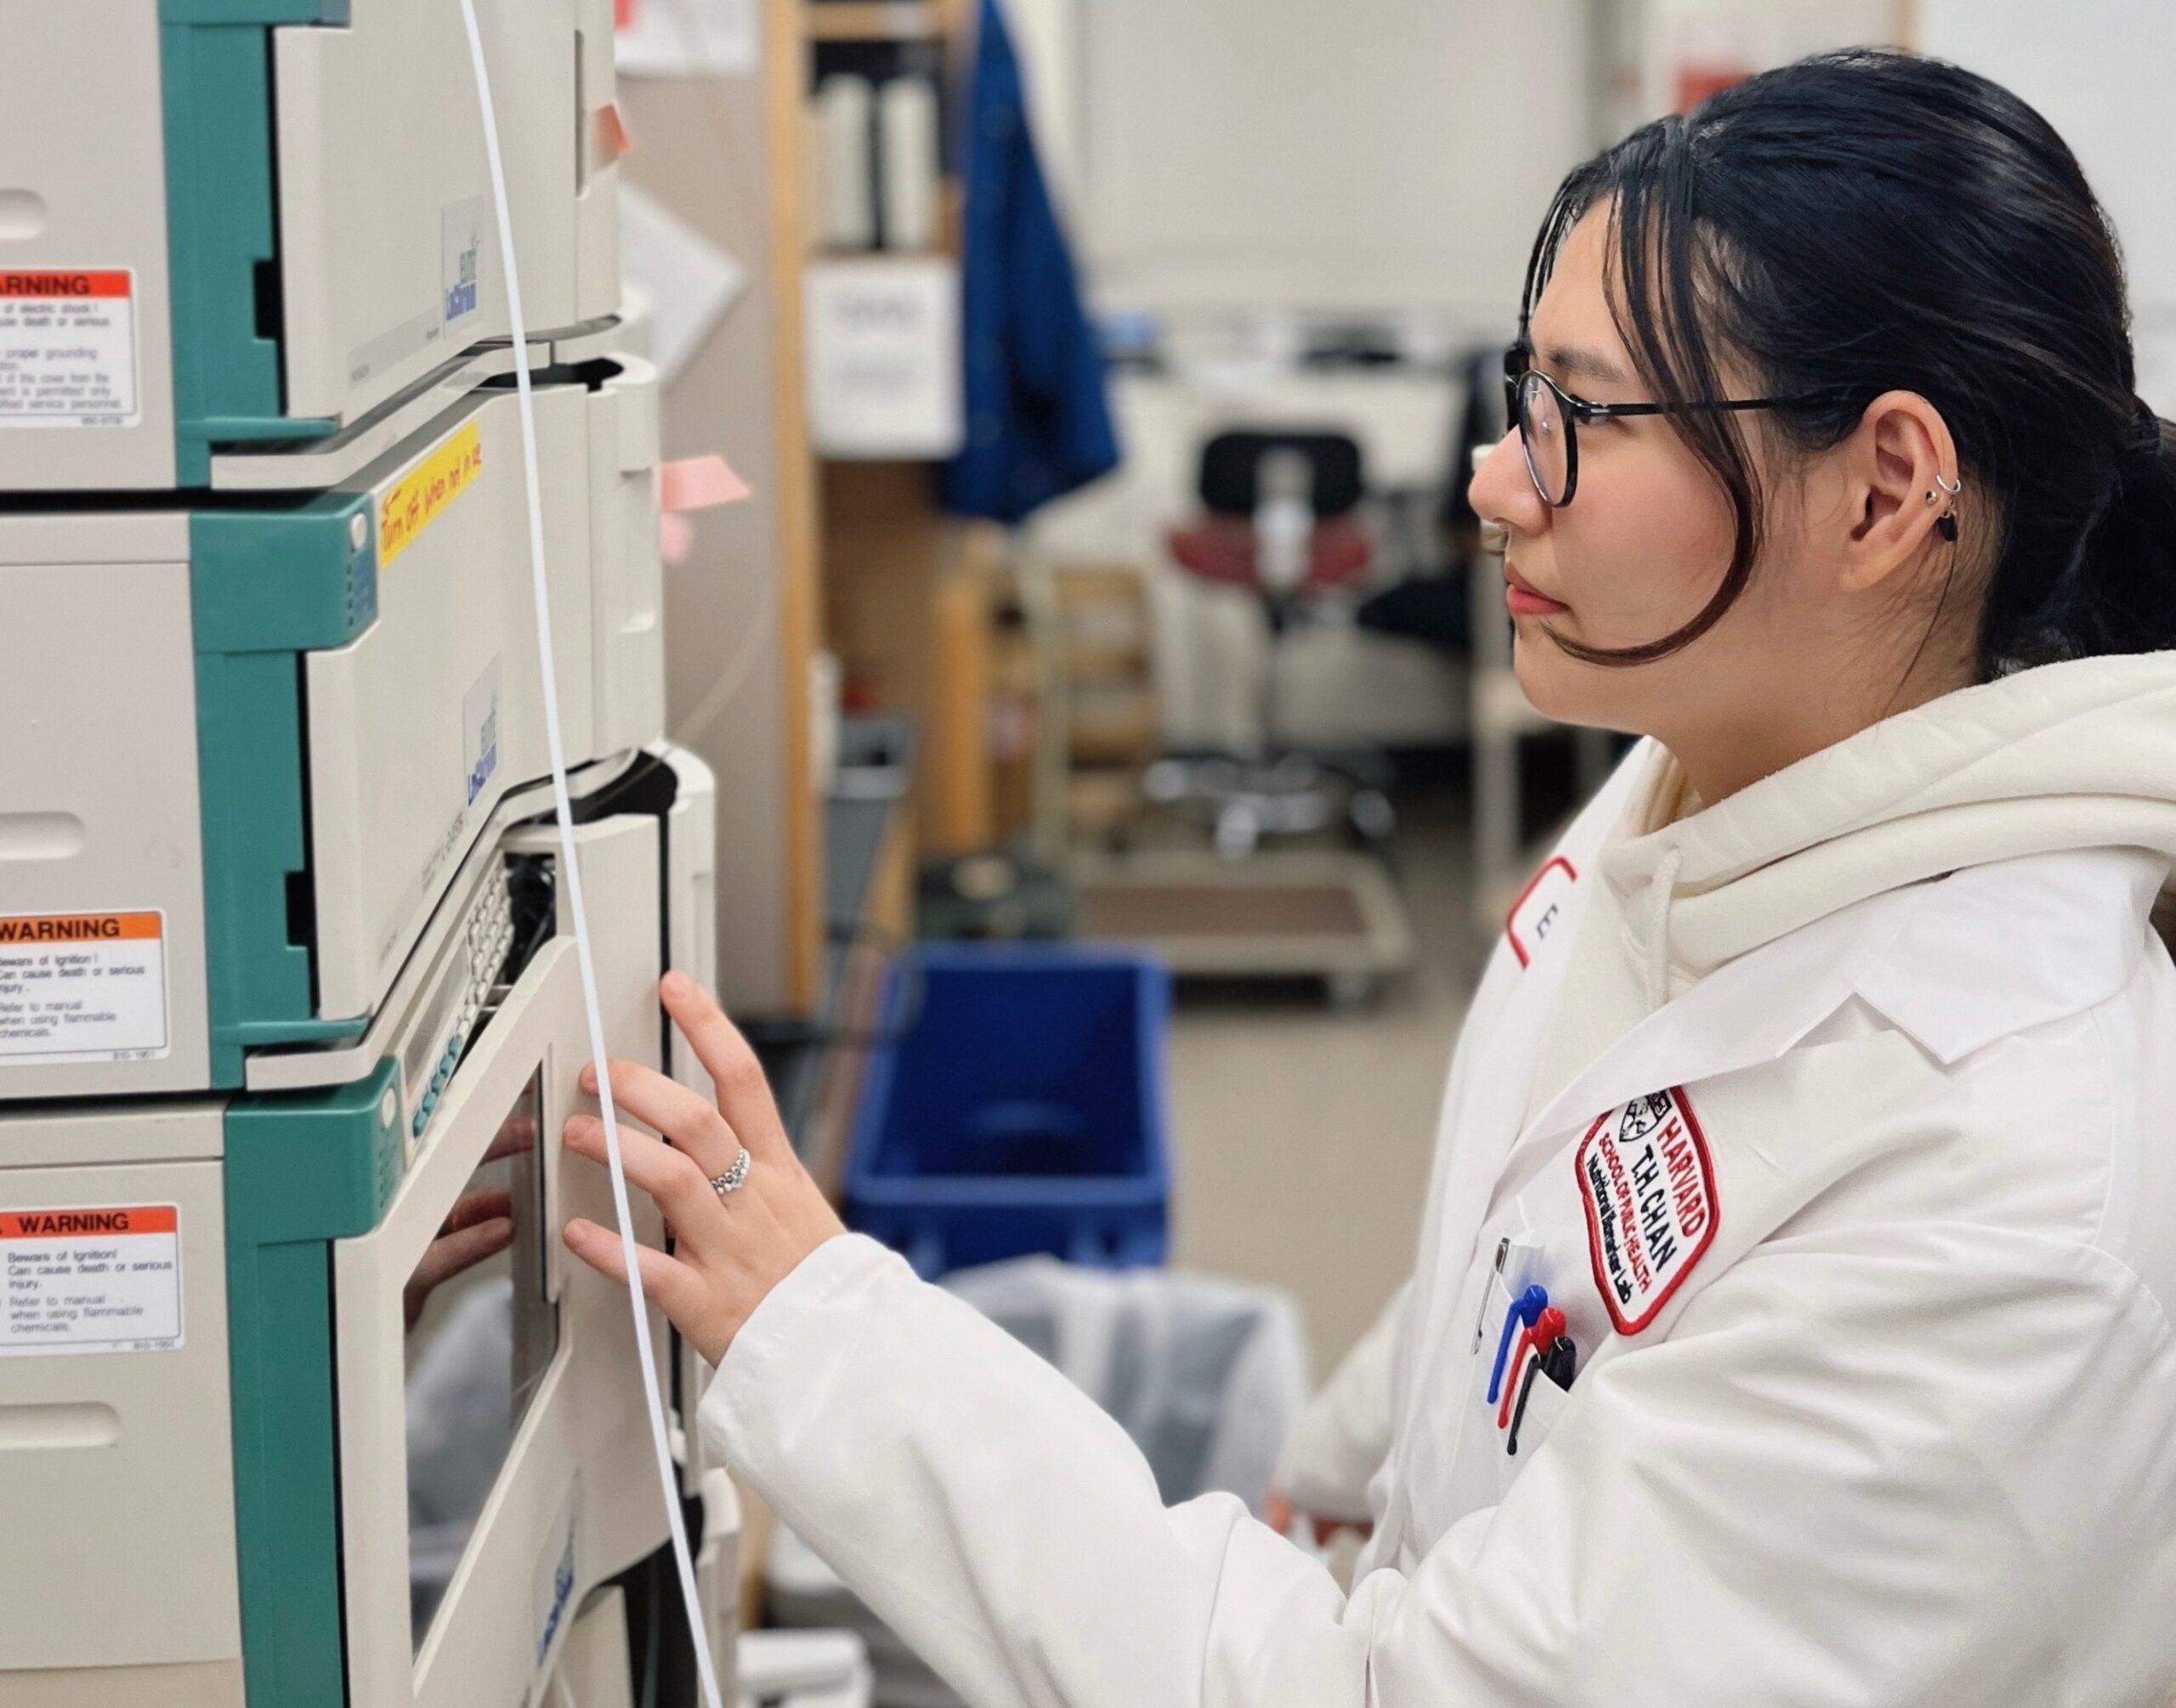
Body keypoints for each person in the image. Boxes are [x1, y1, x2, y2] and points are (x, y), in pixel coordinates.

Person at [561, 49, 2176, 1704]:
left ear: (1886, 490)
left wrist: (824, 1336)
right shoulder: (1712, 776)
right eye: (1513, 398)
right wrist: (1342, 1471)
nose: (1490, 484)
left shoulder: (1997, 1192)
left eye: (1579, 417)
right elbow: (1526, 1229)